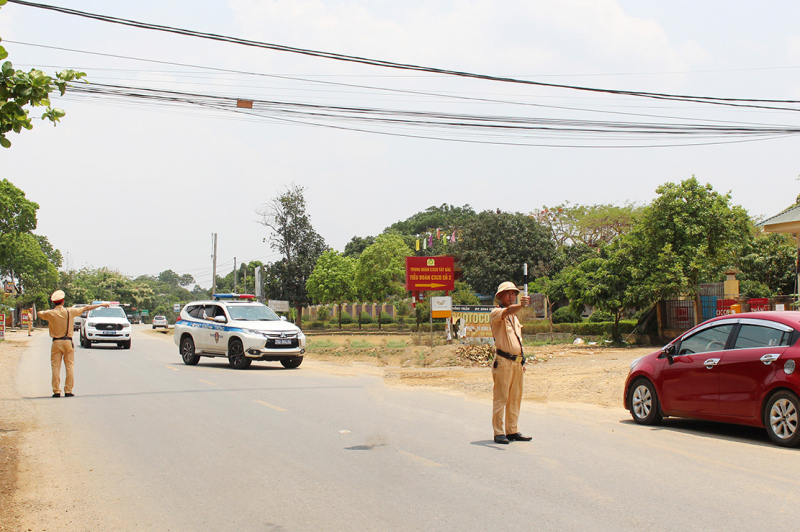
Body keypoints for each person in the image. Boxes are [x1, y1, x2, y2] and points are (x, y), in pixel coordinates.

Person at [38, 290, 109, 398]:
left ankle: (56, 391)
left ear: (54, 302)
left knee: (55, 367)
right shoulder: (69, 311)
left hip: (56, 342)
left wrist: (42, 312)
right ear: (63, 301)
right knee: (69, 367)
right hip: (67, 341)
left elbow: (40, 314)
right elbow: (86, 308)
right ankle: (68, 390)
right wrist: (101, 304)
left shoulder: (50, 313)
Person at [490, 281, 532, 444]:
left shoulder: (514, 317)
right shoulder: (496, 313)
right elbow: (507, 311)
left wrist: (521, 360)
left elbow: (517, 340)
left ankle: (512, 430)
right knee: (501, 397)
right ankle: (499, 431)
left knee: (515, 397)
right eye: (508, 293)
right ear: (499, 296)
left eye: (514, 293)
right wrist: (521, 306)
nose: (512, 296)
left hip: (516, 363)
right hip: (503, 361)